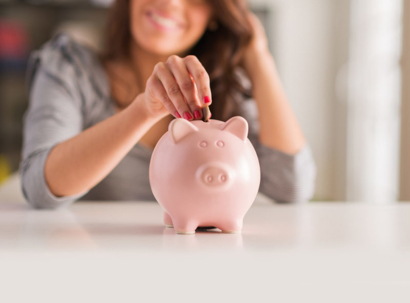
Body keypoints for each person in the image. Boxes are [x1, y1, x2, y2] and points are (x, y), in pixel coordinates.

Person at [20, 0, 316, 209]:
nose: (171, 2)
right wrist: (143, 111)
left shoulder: (226, 86)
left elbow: (291, 186)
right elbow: (39, 189)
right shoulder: (70, 67)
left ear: (216, 13)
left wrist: (258, 56)